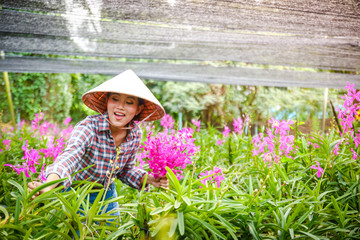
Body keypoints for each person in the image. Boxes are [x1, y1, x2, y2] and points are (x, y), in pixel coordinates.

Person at [27, 69, 168, 217]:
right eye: (115, 99)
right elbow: (69, 157)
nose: (120, 106)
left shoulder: (135, 133)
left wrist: (151, 179)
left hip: (107, 194)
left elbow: (126, 170)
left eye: (129, 102)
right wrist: (48, 186)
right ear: (107, 101)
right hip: (76, 193)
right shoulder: (89, 127)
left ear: (138, 109)